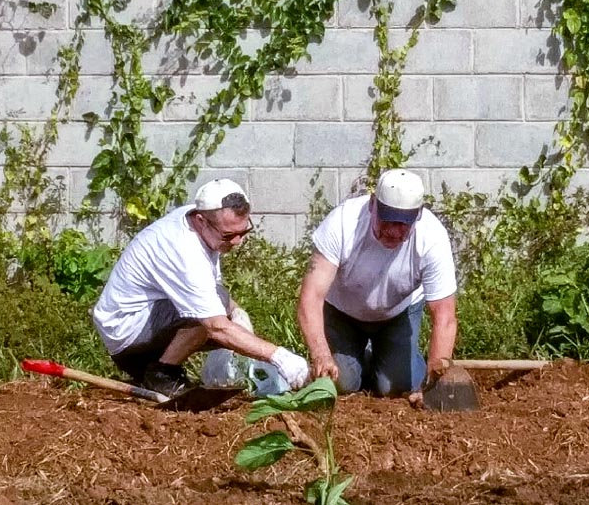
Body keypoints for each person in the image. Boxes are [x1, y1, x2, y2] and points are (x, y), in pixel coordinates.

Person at [92, 178, 310, 398]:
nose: (237, 242)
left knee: (221, 302)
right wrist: (279, 356)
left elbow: (214, 293)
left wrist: (237, 313)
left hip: (144, 324)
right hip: (128, 336)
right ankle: (161, 373)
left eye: (243, 232)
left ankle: (166, 368)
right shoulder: (183, 249)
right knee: (209, 315)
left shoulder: (201, 221)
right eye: (229, 235)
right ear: (201, 221)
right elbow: (215, 326)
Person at [296, 168, 457, 401]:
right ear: (372, 204)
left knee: (397, 387)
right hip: (343, 312)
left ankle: (383, 360)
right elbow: (310, 297)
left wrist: (434, 386)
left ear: (418, 215)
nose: (393, 231)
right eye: (387, 219)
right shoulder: (342, 223)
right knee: (341, 382)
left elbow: (444, 316)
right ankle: (360, 360)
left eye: (403, 224)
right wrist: (321, 354)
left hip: (398, 312)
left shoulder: (432, 238)